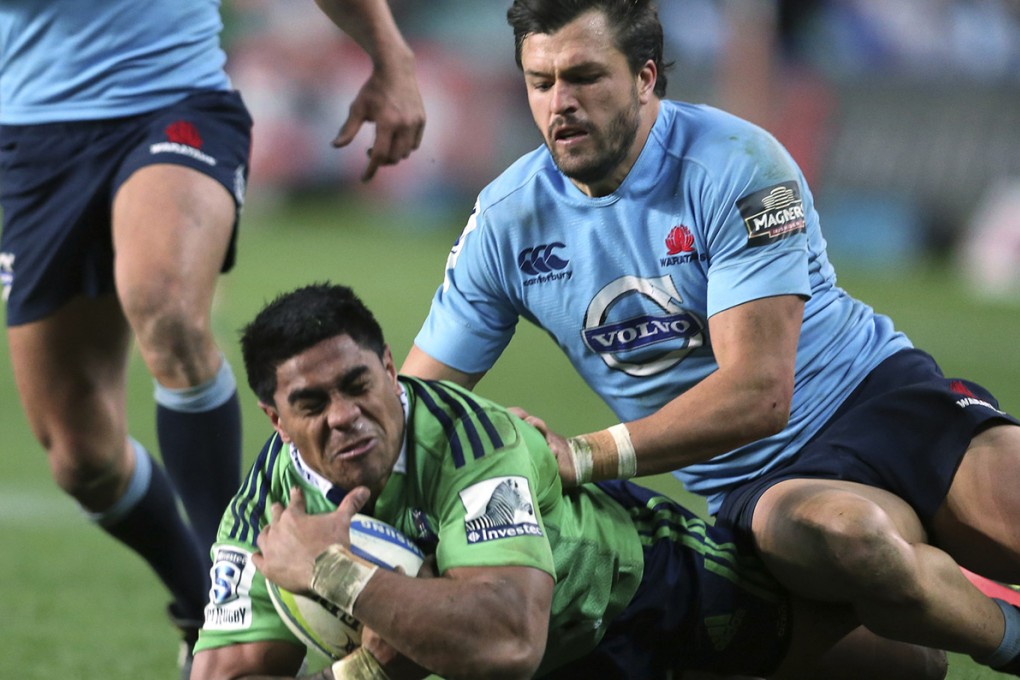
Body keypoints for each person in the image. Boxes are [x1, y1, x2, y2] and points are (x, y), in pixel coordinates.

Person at [399, 0, 1020, 675]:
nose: (561, 104)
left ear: (644, 78)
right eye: (541, 82)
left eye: (584, 77)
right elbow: (412, 408)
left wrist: (581, 454)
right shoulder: (507, 222)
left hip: (884, 401)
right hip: (764, 478)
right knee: (860, 548)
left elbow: (759, 393)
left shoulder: (736, 163)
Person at [190, 282, 944, 680]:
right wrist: (360, 675)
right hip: (556, 667)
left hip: (643, 590)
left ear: (391, 368)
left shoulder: (471, 440)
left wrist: (333, 573)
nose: (346, 416)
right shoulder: (261, 521)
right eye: (312, 404)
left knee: (909, 666)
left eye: (359, 385)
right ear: (273, 418)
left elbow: (508, 640)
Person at [0, 0, 424, 671]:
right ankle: (195, 595)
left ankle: (230, 600)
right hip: (32, 137)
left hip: (171, 100)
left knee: (164, 303)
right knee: (81, 457)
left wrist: (390, 56)